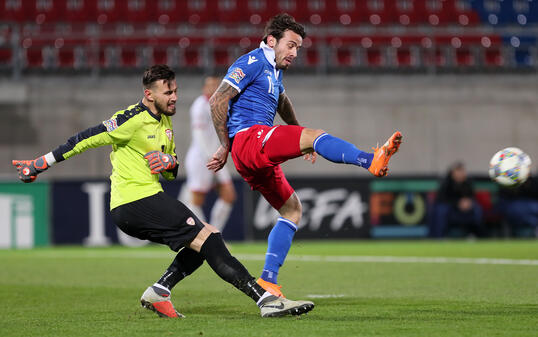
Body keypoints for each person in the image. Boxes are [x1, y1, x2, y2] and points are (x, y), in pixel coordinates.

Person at [11, 65, 313, 318]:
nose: (174, 97)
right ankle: (265, 300)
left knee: (201, 244)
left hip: (145, 200)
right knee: (211, 238)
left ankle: (159, 292)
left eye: (175, 91)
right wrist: (40, 164)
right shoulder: (130, 119)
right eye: (167, 92)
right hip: (134, 200)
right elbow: (84, 138)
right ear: (149, 94)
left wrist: (169, 161)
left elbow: (171, 172)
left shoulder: (166, 123)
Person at [207, 13, 403, 297]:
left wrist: (299, 134)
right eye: (291, 45)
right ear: (271, 40)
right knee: (316, 135)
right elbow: (218, 99)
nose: (295, 53)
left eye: (298, 47)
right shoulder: (252, 61)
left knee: (292, 210)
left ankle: (268, 280)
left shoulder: (274, 71)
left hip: (253, 155)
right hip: (249, 139)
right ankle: (369, 160)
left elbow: (282, 100)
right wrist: (225, 144)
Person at [181, 75, 236, 232]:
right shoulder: (199, 106)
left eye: (216, 85)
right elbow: (198, 135)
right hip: (201, 159)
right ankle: (204, 235)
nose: (213, 87)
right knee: (196, 200)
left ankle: (214, 233)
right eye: (210, 85)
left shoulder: (222, 103)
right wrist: (209, 157)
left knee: (229, 195)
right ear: (204, 88)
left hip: (215, 156)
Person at [430, 162, 484, 238]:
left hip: (464, 210)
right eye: (458, 171)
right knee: (441, 210)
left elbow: (471, 196)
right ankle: (440, 236)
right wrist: (458, 203)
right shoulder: (446, 183)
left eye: (462, 171)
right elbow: (442, 199)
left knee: (477, 209)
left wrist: (468, 203)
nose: (461, 173)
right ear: (453, 173)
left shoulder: (467, 183)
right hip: (451, 209)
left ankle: (477, 235)